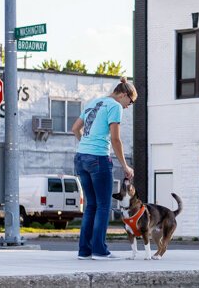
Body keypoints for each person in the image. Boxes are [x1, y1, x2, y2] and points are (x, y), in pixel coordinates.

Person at [71, 77, 136, 260]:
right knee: (103, 206)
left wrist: (86, 146)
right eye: (130, 102)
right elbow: (115, 139)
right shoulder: (114, 106)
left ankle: (84, 251)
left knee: (91, 205)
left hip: (81, 158)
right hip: (98, 159)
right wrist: (125, 166)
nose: (128, 106)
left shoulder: (94, 102)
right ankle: (99, 250)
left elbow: (75, 128)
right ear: (123, 94)